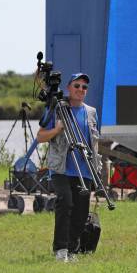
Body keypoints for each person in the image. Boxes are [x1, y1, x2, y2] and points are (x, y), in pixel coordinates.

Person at [36, 73, 101, 262]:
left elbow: (94, 141)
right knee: (65, 202)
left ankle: (72, 250)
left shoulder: (91, 112)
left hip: (85, 169)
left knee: (81, 211)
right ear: (68, 88)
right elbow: (40, 137)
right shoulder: (57, 109)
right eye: (77, 86)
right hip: (61, 168)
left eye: (84, 87)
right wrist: (57, 130)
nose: (81, 89)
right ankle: (61, 249)